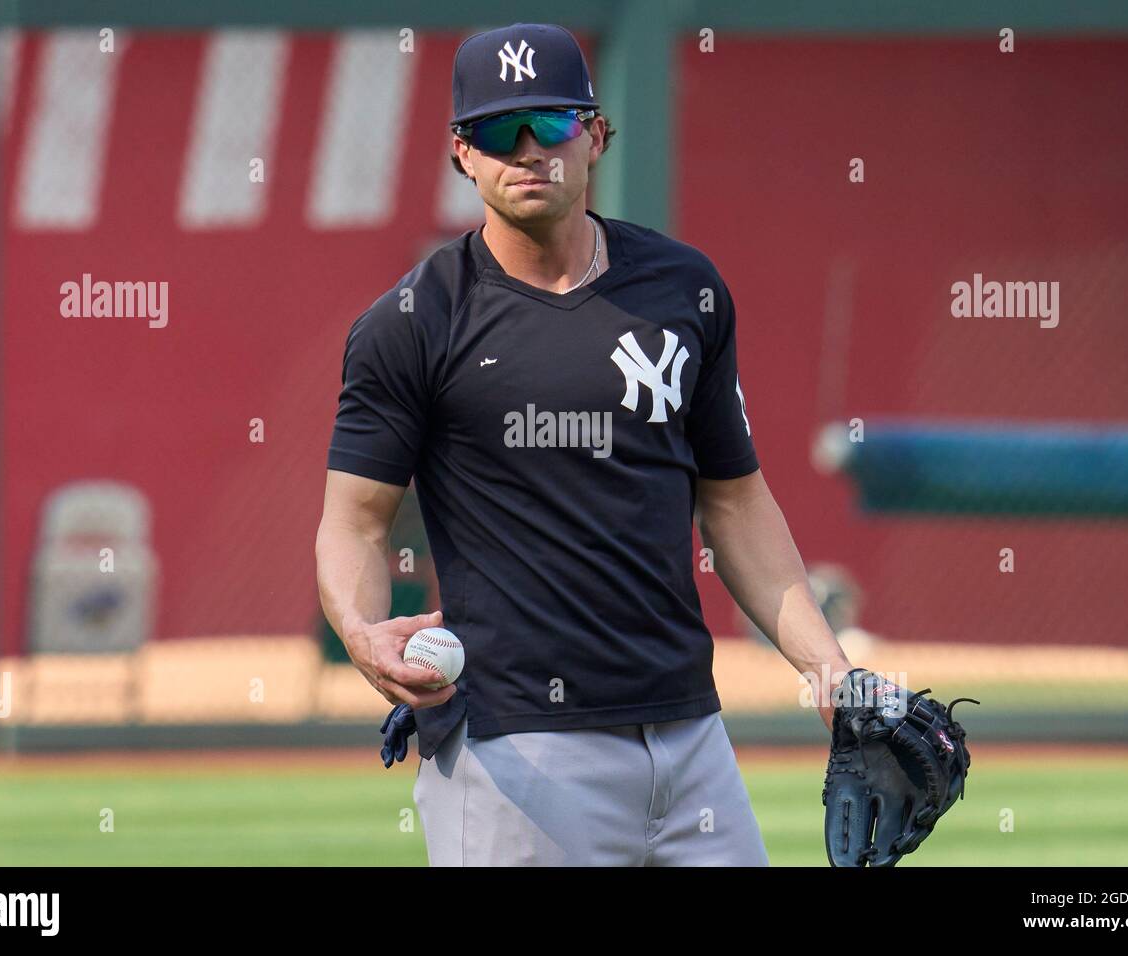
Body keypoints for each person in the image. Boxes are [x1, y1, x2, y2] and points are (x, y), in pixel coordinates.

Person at [315, 22, 854, 866]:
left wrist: (829, 669)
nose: (529, 150)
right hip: (515, 751)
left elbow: (735, 500)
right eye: (499, 131)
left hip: (691, 737)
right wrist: (360, 628)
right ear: (463, 153)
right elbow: (354, 521)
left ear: (596, 135)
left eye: (553, 125)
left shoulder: (686, 290)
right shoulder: (411, 324)